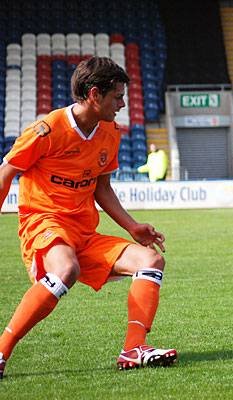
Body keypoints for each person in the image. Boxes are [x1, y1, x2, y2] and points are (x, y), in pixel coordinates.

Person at [0, 57, 177, 379]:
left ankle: (133, 350)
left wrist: (132, 226)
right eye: (117, 97)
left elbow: (102, 187)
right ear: (94, 95)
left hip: (84, 230)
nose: (123, 104)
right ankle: (2, 351)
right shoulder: (48, 129)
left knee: (150, 260)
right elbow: (6, 172)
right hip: (45, 222)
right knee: (65, 269)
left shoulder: (110, 131)